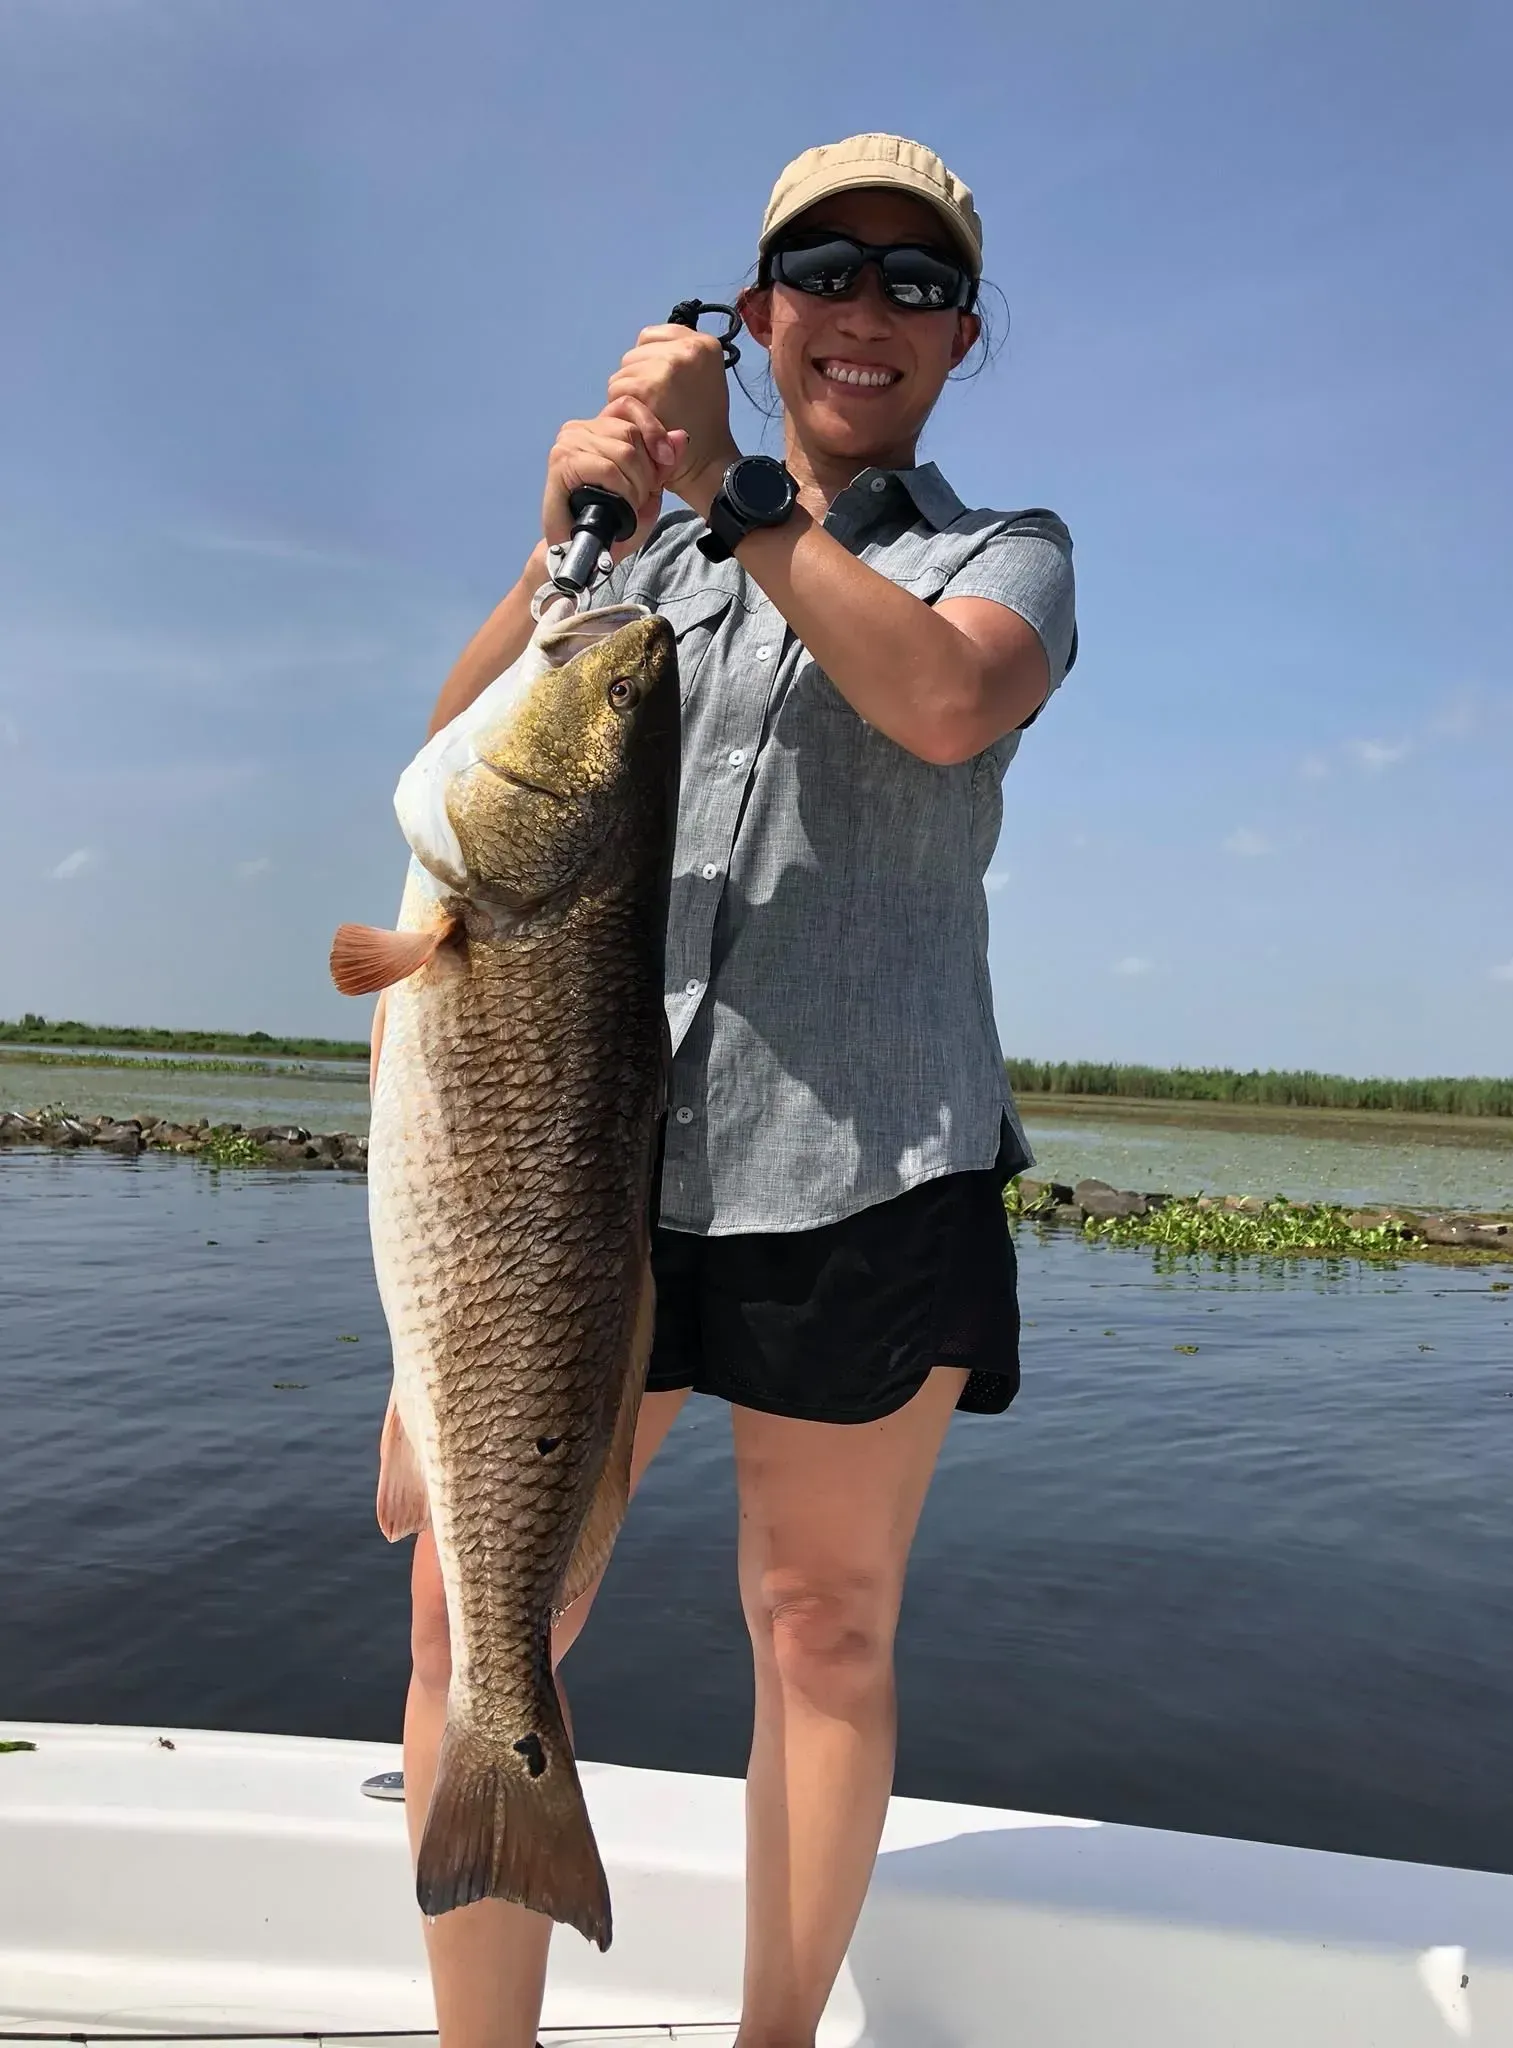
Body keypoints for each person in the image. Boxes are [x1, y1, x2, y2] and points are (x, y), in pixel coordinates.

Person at [404, 132, 1076, 2048]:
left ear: (957, 343)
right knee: (480, 1616)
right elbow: (453, 771)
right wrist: (570, 537)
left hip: (870, 1163)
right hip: (570, 1165)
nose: (866, 313)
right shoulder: (646, 563)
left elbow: (943, 700)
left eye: (917, 286)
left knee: (822, 1622)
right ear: (756, 308)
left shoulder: (999, 554)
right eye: (825, 273)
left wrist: (749, 500)